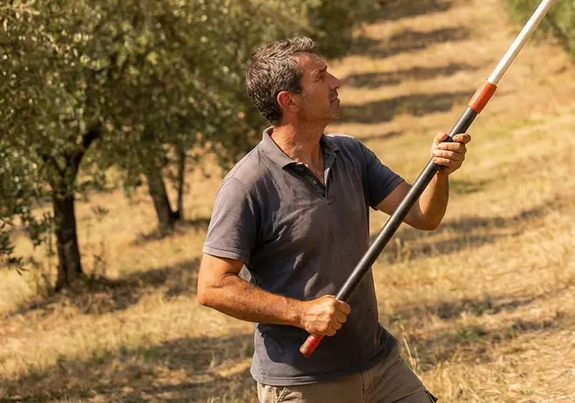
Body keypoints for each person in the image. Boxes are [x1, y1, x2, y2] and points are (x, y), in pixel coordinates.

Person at [197, 37, 470, 402]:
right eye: (321, 76)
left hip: (378, 364)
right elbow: (212, 286)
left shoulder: (350, 154)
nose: (336, 82)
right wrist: (301, 314)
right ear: (288, 100)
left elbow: (422, 215)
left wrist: (440, 171)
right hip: (304, 382)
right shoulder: (248, 184)